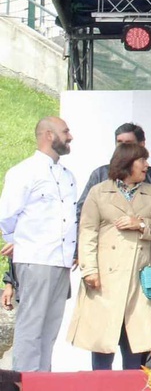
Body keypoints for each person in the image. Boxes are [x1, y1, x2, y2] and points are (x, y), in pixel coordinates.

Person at [68, 142, 151, 370]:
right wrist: (90, 270)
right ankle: (100, 384)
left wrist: (141, 224)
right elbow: (87, 232)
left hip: (138, 280)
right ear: (127, 163)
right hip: (104, 280)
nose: (146, 165)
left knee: (136, 344)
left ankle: (132, 383)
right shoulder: (99, 192)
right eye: (142, 160)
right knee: (102, 344)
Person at [0, 116, 77, 372]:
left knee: (50, 330)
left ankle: (43, 382)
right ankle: (23, 383)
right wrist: (22, 242)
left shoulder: (67, 176)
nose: (70, 136)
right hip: (35, 258)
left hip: (61, 261)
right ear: (49, 135)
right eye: (65, 131)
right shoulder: (24, 172)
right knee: (30, 327)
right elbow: (6, 217)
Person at [77, 123, 151, 265]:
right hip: (108, 264)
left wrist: (141, 224)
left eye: (129, 143)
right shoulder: (99, 180)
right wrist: (86, 264)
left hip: (141, 264)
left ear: (142, 144)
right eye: (120, 143)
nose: (123, 148)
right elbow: (86, 226)